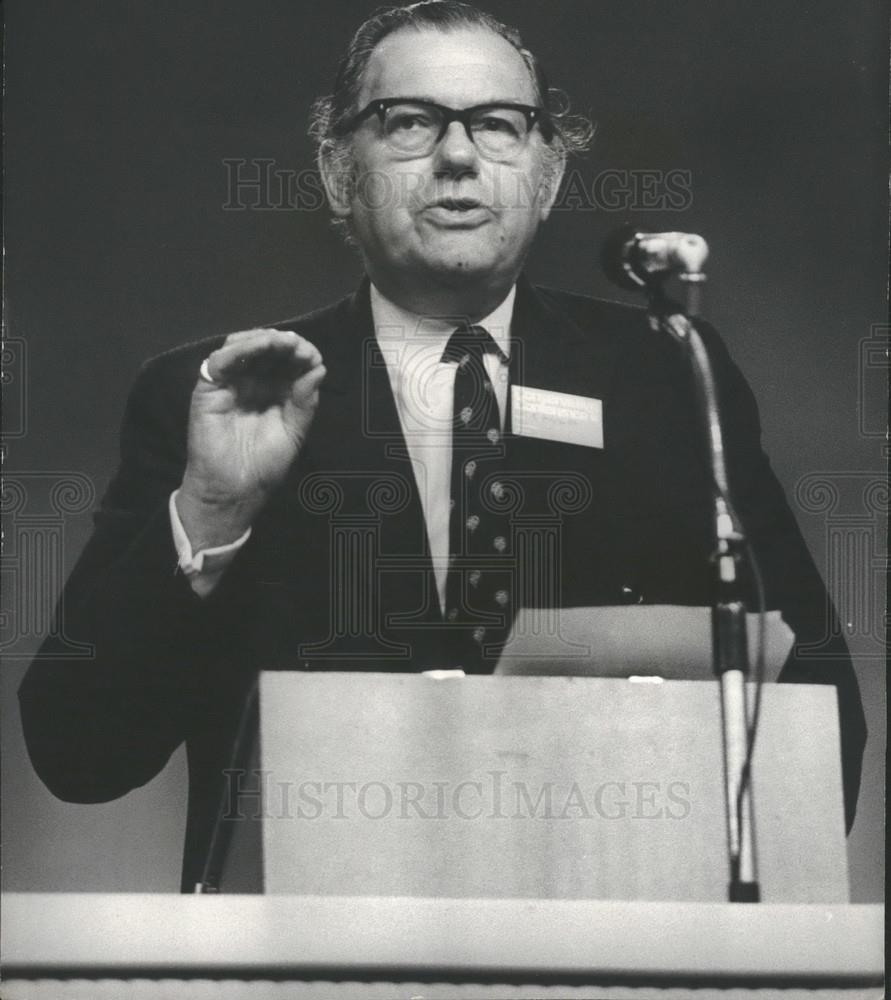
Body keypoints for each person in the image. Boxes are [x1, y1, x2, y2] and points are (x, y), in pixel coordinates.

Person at [19, 0, 865, 892]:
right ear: (337, 169)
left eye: (498, 124)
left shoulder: (667, 374)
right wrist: (212, 511)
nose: (457, 156)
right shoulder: (219, 392)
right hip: (305, 958)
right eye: (410, 122)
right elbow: (80, 755)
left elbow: (815, 711)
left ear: (546, 174)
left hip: (601, 948)